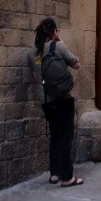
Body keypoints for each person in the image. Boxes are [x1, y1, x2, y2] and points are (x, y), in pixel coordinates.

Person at [28, 18, 83, 186]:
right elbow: (76, 64)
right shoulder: (57, 46)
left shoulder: (31, 53)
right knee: (65, 137)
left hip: (46, 100)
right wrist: (61, 42)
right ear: (53, 32)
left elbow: (35, 76)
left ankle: (54, 173)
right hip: (63, 98)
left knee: (55, 135)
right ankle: (67, 178)